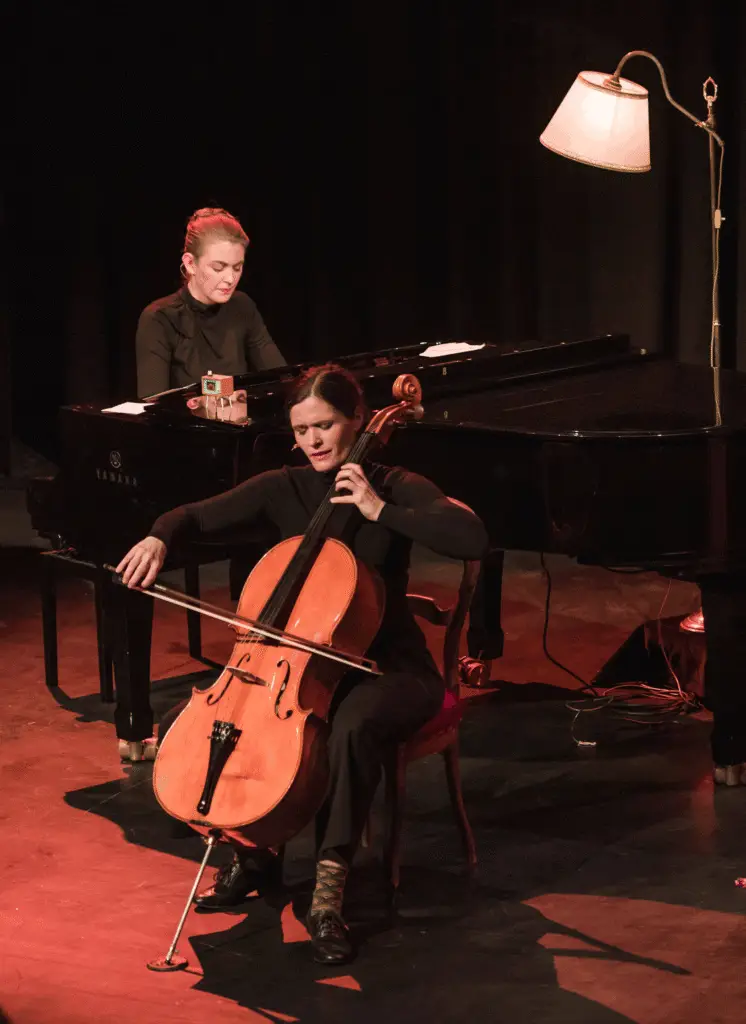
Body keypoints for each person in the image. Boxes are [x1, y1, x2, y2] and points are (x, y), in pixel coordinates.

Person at [116, 364, 488, 965]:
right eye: (301, 430)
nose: (313, 441)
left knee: (352, 727)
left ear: (358, 421)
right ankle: (254, 853)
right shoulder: (283, 488)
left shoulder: (392, 484)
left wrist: (378, 511)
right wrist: (159, 536)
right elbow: (195, 516)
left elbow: (470, 537)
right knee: (229, 722)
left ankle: (328, 888)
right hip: (297, 666)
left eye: (326, 426)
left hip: (387, 665)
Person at [135, 207, 286, 399]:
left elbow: (281, 379)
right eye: (218, 267)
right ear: (190, 264)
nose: (230, 279)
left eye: (237, 267)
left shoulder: (242, 307)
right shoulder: (160, 319)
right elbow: (153, 403)